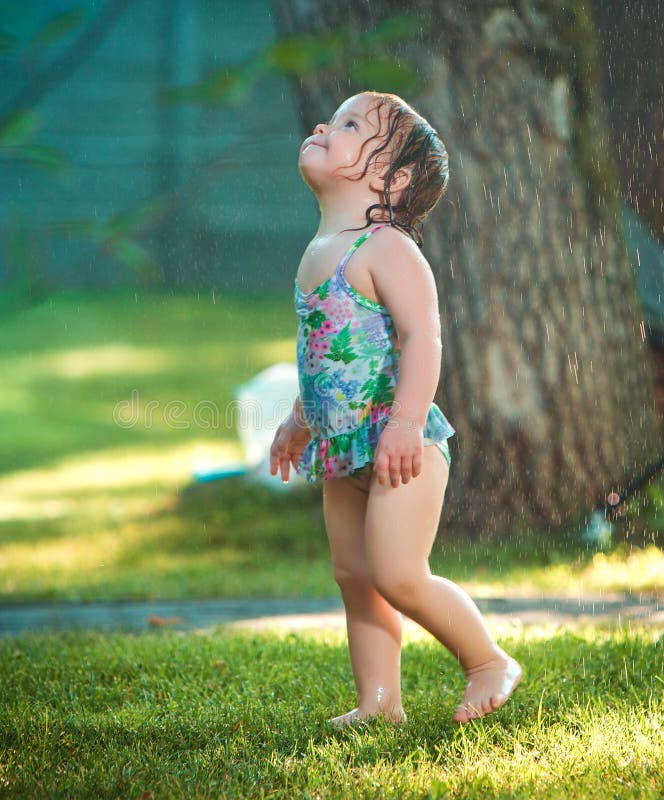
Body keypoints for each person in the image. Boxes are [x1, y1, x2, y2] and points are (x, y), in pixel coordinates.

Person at [269, 91, 522, 727]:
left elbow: (422, 338)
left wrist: (407, 423)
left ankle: (487, 660)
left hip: (399, 444)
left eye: (351, 124)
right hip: (342, 446)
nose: (327, 125)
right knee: (355, 576)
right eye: (334, 117)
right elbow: (326, 351)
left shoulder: (387, 248)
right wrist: (299, 423)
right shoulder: (319, 250)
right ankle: (379, 704)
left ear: (392, 178)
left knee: (398, 573)